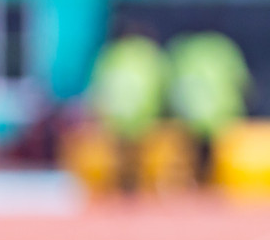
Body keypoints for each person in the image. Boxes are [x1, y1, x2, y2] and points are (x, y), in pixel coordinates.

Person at [88, 22, 168, 194]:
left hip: (116, 115)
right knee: (137, 157)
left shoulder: (111, 54)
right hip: (143, 114)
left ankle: (121, 187)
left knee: (120, 156)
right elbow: (162, 84)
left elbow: (99, 85)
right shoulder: (149, 53)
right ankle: (134, 187)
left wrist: (99, 112)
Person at [167, 31, 252, 185]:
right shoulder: (223, 48)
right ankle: (205, 181)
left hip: (191, 112)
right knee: (209, 152)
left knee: (193, 150)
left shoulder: (185, 50)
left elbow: (174, 84)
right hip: (218, 113)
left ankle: (195, 180)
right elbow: (241, 81)